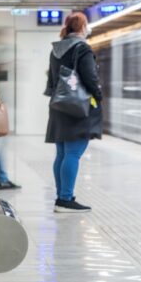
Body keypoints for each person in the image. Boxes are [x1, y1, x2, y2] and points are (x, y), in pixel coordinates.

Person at [45, 12, 102, 213]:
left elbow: (51, 80)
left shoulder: (56, 50)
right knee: (73, 153)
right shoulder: (82, 48)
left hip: (59, 105)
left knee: (61, 153)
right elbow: (89, 77)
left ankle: (62, 197)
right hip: (77, 106)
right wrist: (98, 94)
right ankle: (65, 199)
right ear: (82, 27)